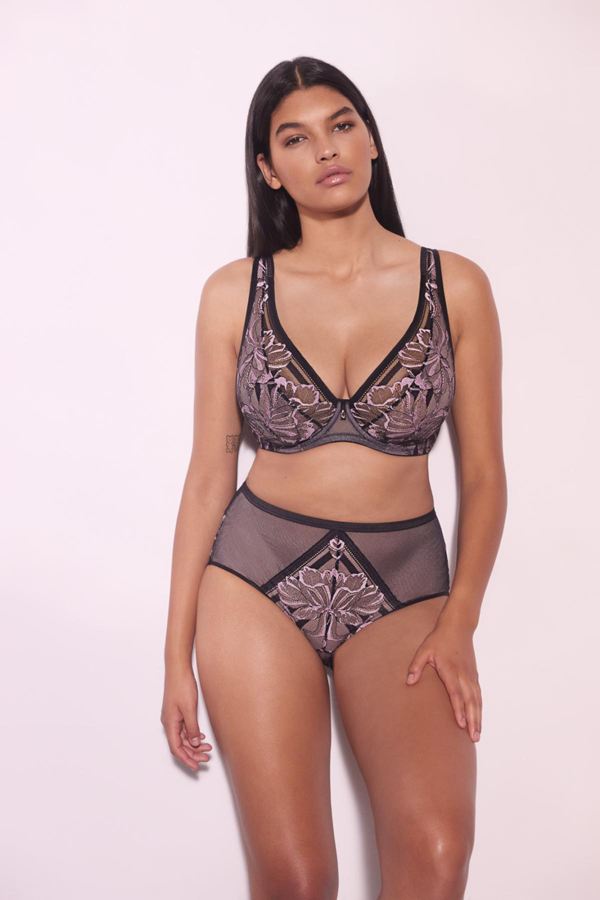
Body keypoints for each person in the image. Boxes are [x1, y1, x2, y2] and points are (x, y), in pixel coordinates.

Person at [161, 55, 507, 900]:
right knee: (297, 877)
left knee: (436, 853)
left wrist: (460, 620)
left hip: (404, 582)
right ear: (268, 170)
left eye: (341, 124)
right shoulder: (234, 294)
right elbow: (208, 476)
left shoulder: (454, 285)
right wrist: (174, 657)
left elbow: (486, 477)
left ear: (371, 142)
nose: (325, 149)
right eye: (295, 139)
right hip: (256, 577)